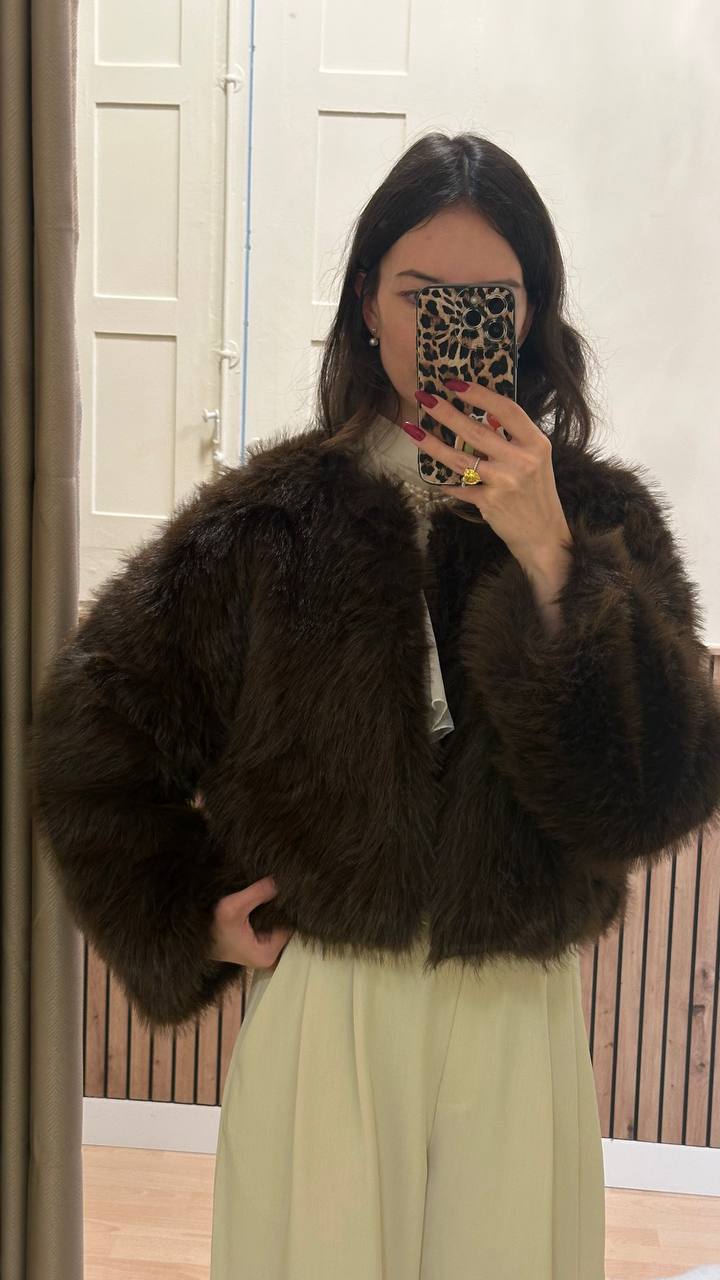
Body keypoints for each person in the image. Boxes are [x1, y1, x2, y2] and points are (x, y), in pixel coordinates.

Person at [27, 133, 720, 1280]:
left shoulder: (602, 518)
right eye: (419, 293)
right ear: (366, 304)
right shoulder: (268, 518)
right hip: (328, 1005)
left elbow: (654, 794)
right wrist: (184, 913)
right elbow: (92, 730)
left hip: (516, 1013)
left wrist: (553, 553)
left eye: (487, 299)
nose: (449, 323)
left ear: (531, 311)